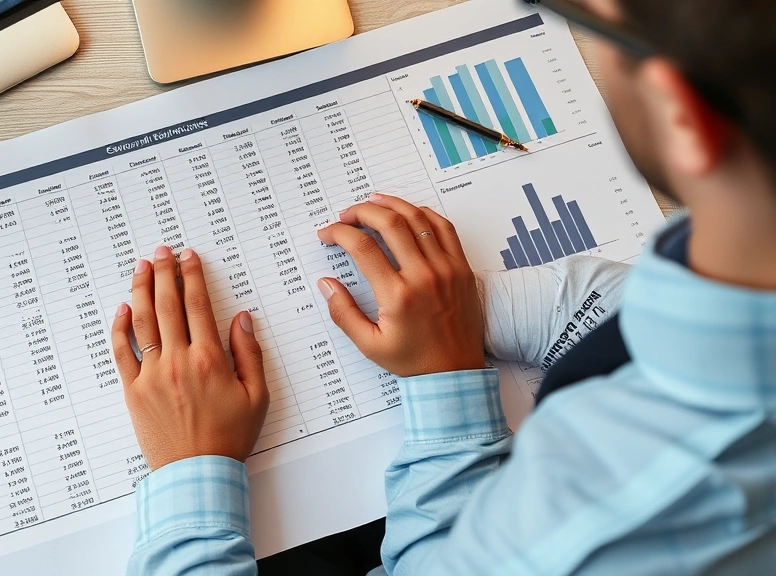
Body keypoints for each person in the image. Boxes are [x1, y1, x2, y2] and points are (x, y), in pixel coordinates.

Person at [110, 0, 776, 573]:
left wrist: (189, 473)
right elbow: (627, 315)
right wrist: (466, 314)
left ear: (685, 115)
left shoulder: (586, 535)